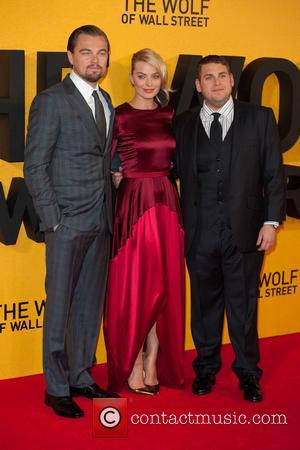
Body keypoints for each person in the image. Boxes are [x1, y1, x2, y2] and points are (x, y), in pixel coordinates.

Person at [174, 55, 285, 402]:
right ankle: (205, 369)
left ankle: (248, 374)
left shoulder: (260, 118)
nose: (217, 82)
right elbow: (168, 172)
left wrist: (271, 221)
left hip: (247, 232)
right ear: (198, 85)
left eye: (222, 75)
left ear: (232, 80)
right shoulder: (183, 124)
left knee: (244, 307)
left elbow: (274, 174)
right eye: (209, 77)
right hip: (199, 231)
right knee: (204, 307)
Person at [24, 25, 118, 419]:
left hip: (101, 218)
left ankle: (81, 375)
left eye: (101, 52)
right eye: (86, 52)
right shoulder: (51, 101)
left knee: (88, 306)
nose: (95, 60)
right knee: (60, 307)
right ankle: (57, 387)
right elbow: (35, 164)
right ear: (70, 57)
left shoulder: (107, 99)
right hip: (66, 223)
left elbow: (102, 155)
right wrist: (53, 220)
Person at [104, 48, 185, 395]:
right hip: (134, 203)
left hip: (166, 201)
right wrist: (116, 176)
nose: (148, 83)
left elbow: (181, 162)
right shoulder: (118, 115)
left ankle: (153, 359)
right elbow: (105, 162)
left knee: (164, 287)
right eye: (141, 75)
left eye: (155, 76)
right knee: (136, 286)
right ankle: (133, 361)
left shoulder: (172, 116)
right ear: (131, 77)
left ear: (161, 79)